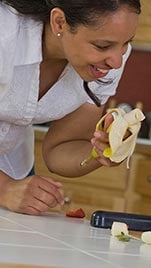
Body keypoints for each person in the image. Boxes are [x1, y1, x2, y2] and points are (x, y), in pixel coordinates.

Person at [0, 0, 141, 215]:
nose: (117, 62)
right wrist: (4, 189)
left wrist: (99, 152)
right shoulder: (5, 34)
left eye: (126, 43)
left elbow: (60, 149)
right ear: (59, 22)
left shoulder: (107, 62)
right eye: (102, 46)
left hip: (12, 168)